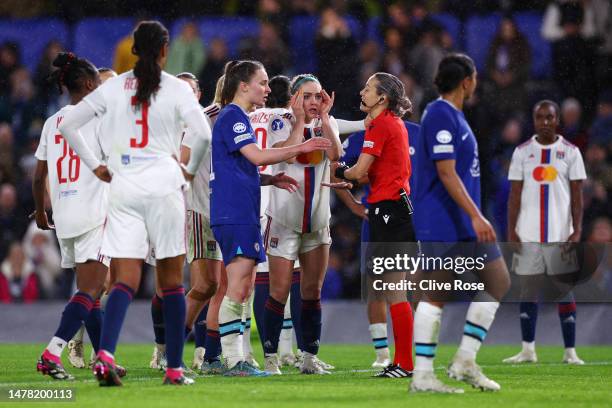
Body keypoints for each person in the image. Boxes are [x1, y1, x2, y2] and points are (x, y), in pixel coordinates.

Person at [59, 21, 212, 386]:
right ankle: (174, 368)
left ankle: (106, 355)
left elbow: (68, 125)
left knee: (124, 279)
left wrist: (97, 166)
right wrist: (188, 172)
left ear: (134, 49)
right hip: (163, 185)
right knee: (172, 281)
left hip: (123, 186)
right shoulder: (175, 88)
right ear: (164, 50)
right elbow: (203, 133)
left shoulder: (112, 87)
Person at [210, 60, 331, 377]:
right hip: (234, 211)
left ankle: (239, 359)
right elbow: (258, 157)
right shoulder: (234, 116)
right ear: (243, 86)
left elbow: (243, 167)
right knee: (237, 286)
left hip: (242, 208)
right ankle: (235, 360)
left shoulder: (241, 118)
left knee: (244, 285)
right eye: (262, 83)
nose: (267, 88)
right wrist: (302, 145)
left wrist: (268, 181)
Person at [409, 54, 510, 393]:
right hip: (443, 218)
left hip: (462, 221)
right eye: (475, 77)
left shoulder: (454, 116)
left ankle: (465, 360)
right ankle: (423, 375)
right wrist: (476, 214)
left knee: (498, 280)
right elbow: (446, 171)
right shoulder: (438, 113)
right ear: (467, 80)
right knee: (435, 294)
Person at [33, 52, 110, 381]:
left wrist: (40, 211)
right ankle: (52, 352)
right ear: (91, 84)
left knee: (89, 292)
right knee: (92, 290)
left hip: (64, 215)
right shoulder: (99, 118)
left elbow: (39, 177)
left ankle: (105, 357)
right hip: (95, 213)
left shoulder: (54, 122)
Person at [334, 72, 415, 379]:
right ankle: (401, 361)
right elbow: (374, 174)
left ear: (382, 98)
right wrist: (345, 177)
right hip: (392, 210)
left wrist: (339, 169)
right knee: (392, 288)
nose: (362, 91)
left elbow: (359, 172)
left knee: (394, 289)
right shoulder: (393, 124)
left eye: (368, 88)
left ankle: (405, 364)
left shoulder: (380, 125)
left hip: (389, 212)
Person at [259, 74, 342, 375]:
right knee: (279, 291)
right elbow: (282, 152)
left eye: (317, 96)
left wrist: (327, 121)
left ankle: (309, 356)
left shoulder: (326, 123)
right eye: (306, 96)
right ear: (294, 98)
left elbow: (336, 156)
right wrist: (298, 123)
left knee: (312, 291)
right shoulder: (278, 121)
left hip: (318, 222)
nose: (313, 102)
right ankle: (271, 358)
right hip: (284, 220)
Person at [504, 100, 587, 365]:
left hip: (560, 234)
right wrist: (511, 231)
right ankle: (528, 350)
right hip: (527, 234)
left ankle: (570, 352)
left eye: (550, 117)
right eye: (540, 117)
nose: (545, 122)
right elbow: (514, 196)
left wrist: (577, 230)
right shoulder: (522, 152)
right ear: (534, 120)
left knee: (564, 289)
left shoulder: (571, 152)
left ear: (558, 120)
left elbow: (577, 196)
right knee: (528, 289)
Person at [66, 67, 118, 370]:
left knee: (105, 283)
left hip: (115, 209)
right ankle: (73, 339)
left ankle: (77, 337)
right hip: (90, 209)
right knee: (99, 282)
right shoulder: (85, 127)